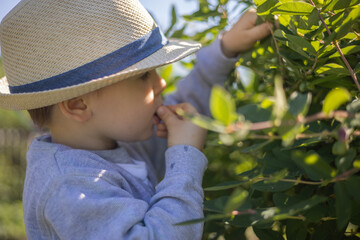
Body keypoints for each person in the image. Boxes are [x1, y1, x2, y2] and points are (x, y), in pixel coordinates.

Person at [0, 0, 271, 239]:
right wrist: (184, 157)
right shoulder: (69, 187)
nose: (162, 82)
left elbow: (185, 107)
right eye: (144, 76)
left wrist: (225, 49)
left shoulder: (111, 143)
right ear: (78, 104)